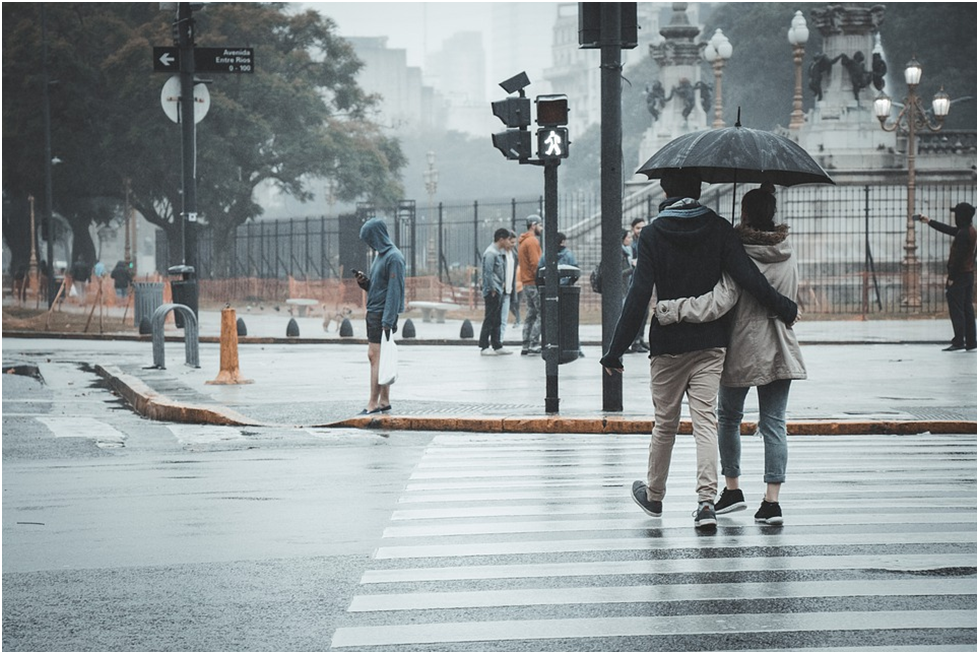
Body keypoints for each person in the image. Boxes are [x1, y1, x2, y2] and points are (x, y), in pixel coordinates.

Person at [599, 170, 798, 530]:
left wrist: (615, 350)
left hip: (668, 344)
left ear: (664, 189)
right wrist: (782, 305)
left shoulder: (654, 233)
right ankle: (706, 503)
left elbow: (638, 295)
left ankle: (655, 496)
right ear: (700, 188)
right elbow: (747, 277)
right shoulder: (720, 228)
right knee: (706, 422)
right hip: (711, 343)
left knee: (665, 424)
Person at [654, 188, 808, 525]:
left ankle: (733, 488)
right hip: (781, 344)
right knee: (774, 425)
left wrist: (675, 310)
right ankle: (772, 502)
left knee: (727, 418)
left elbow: (723, 299)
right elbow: (790, 296)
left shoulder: (738, 251)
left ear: (745, 213)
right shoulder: (787, 250)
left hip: (741, 344)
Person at [353, 217, 406, 414]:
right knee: (379, 358)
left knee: (374, 357)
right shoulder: (380, 256)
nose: (369, 243)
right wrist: (364, 283)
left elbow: (394, 291)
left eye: (369, 238)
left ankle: (372, 403)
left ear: (378, 235)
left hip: (382, 314)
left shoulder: (394, 258)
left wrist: (388, 320)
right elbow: (379, 287)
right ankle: (384, 401)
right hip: (375, 311)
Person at [917, 203, 977, 351]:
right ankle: (971, 341)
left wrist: (952, 277)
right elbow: (949, 230)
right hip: (968, 274)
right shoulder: (969, 230)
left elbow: (958, 258)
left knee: (957, 309)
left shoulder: (963, 234)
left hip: (960, 275)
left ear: (961, 216)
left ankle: (958, 341)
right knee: (967, 308)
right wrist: (929, 221)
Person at [479, 227, 513, 356]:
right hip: (492, 291)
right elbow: (488, 272)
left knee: (497, 318)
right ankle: (484, 346)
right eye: (507, 240)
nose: (508, 243)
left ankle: (497, 344)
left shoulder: (498, 252)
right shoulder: (491, 253)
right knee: (490, 318)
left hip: (498, 289)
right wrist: (492, 288)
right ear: (501, 239)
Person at [518, 216, 543, 355]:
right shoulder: (532, 241)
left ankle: (525, 344)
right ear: (533, 225)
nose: (542, 228)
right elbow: (536, 264)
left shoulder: (523, 242)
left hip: (526, 282)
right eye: (540, 225)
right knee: (542, 313)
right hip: (534, 282)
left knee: (530, 314)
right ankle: (534, 343)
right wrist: (541, 279)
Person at [629, 218, 650, 354]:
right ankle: (635, 341)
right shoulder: (631, 244)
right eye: (638, 228)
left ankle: (640, 339)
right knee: (637, 312)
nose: (640, 230)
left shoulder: (645, 241)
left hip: (644, 279)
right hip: (634, 281)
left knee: (645, 312)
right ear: (632, 229)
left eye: (643, 227)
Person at [499, 230, 518, 346]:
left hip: (508, 289)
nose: (513, 245)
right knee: (496, 318)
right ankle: (495, 341)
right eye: (511, 242)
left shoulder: (514, 255)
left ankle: (500, 340)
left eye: (515, 243)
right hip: (499, 289)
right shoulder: (499, 254)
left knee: (504, 319)